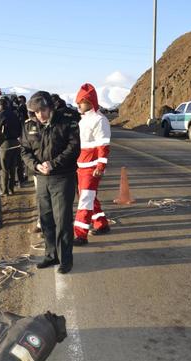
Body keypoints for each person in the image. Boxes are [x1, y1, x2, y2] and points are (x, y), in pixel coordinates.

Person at [21, 91, 80, 274]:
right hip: (41, 178)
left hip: (62, 177)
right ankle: (50, 254)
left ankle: (65, 259)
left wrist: (53, 164)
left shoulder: (66, 121)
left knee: (62, 220)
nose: (40, 115)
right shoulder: (29, 126)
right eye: (36, 111)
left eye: (43, 110)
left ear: (51, 107)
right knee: (46, 219)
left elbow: (74, 147)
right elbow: (25, 150)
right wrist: (36, 166)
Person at [73, 83, 111, 246]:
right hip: (81, 166)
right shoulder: (83, 120)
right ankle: (101, 224)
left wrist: (100, 167)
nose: (78, 105)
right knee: (87, 197)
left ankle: (80, 235)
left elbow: (103, 146)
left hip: (91, 168)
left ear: (88, 101)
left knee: (86, 200)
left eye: (80, 102)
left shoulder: (99, 120)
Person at [0, 98, 22, 196]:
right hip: (16, 142)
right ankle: (11, 189)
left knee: (4, 168)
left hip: (5, 143)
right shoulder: (14, 114)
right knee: (13, 166)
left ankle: (5, 190)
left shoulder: (1, 115)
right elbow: (20, 127)